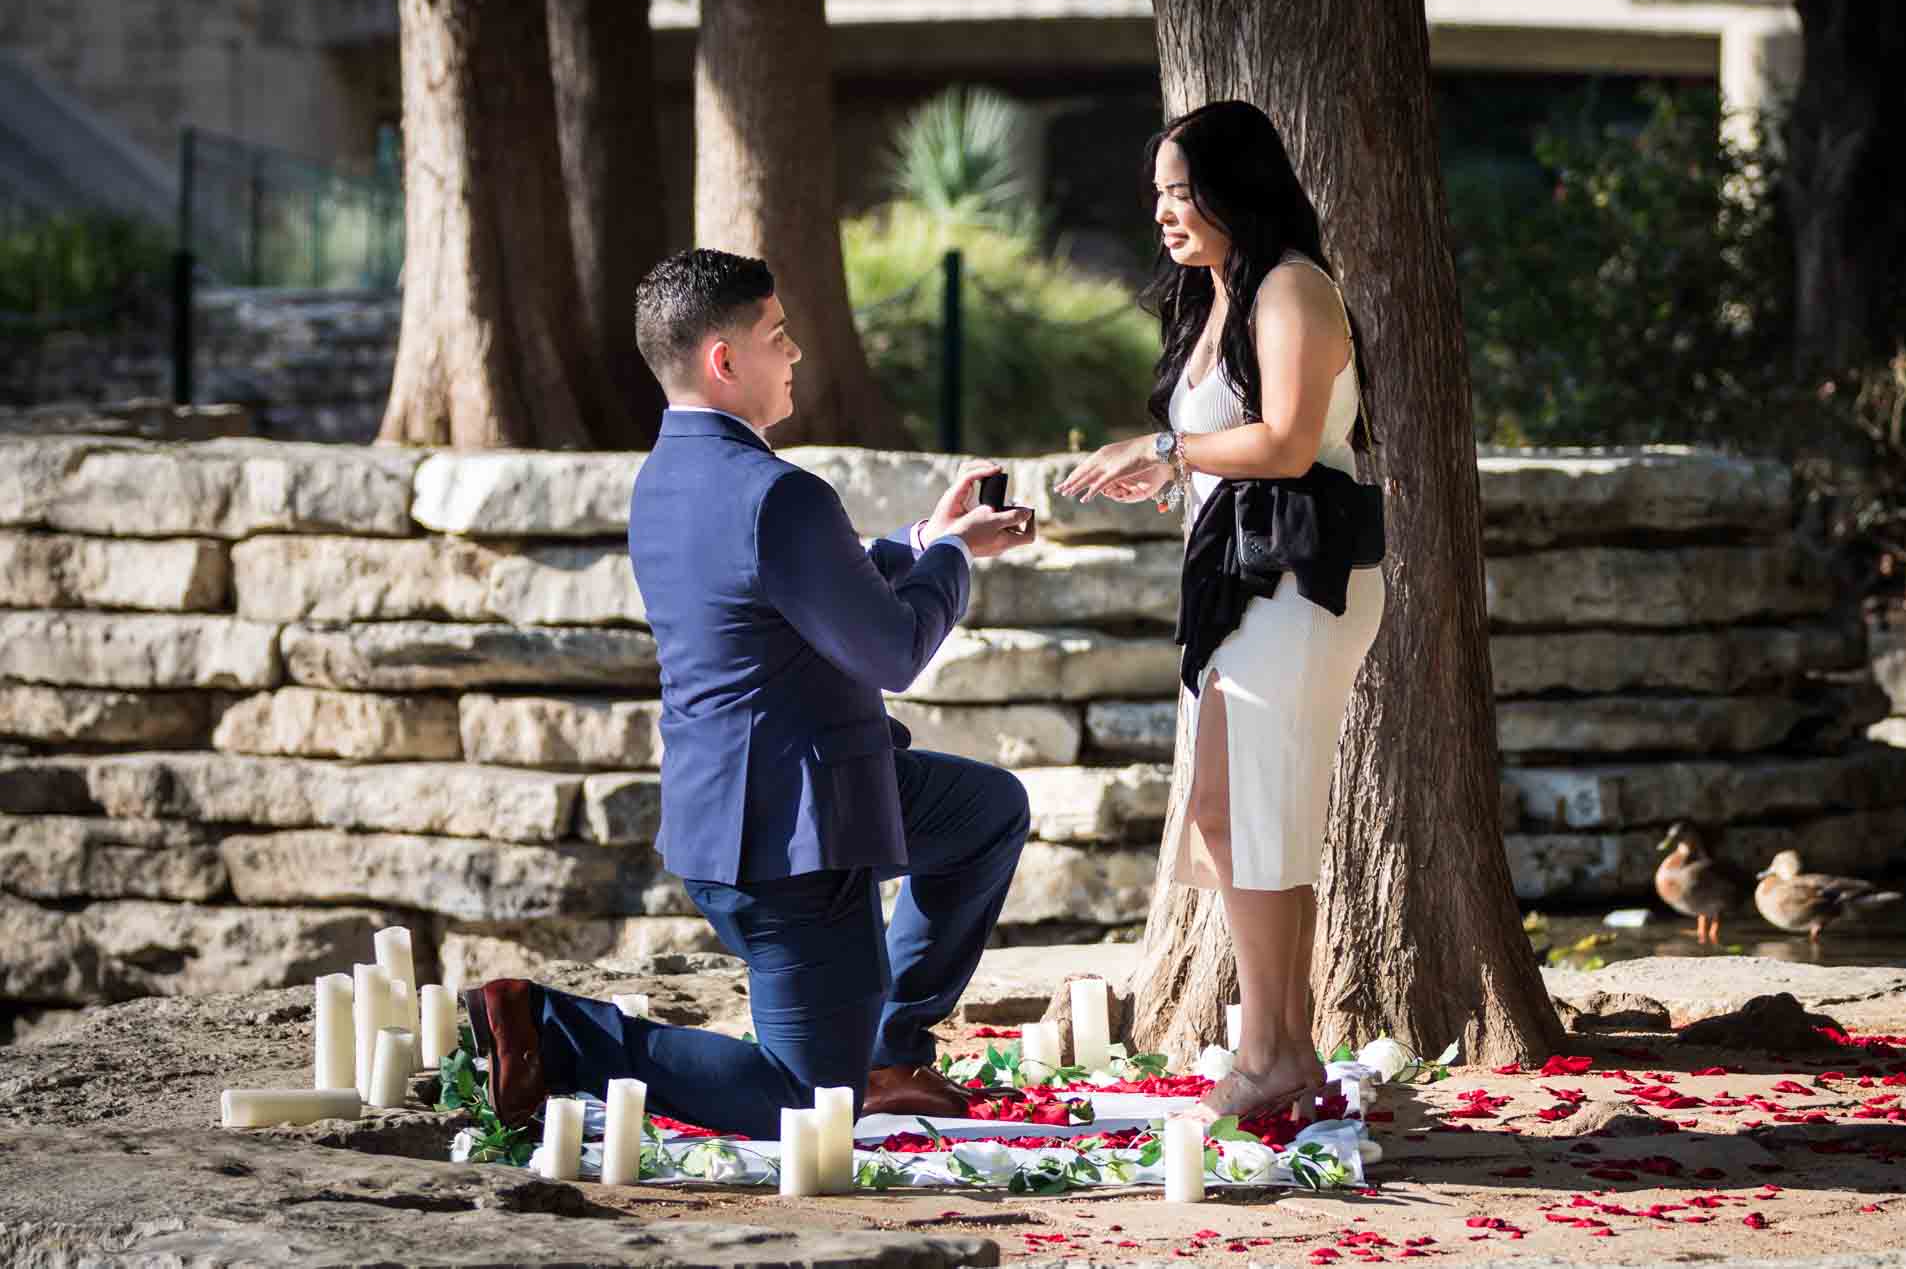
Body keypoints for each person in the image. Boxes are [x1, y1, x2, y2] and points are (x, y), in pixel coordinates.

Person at [460, 248, 1039, 1141]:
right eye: (778, 335)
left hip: (759, 803)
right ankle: (552, 1028)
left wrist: (928, 535)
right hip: (796, 839)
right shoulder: (780, 494)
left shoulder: (667, 478)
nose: (797, 352)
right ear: (724, 360)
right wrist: (954, 561)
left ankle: (891, 1047)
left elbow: (793, 591)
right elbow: (891, 648)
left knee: (984, 810)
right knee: (811, 1108)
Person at [1056, 101, 1387, 1123]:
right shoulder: (1215, 294)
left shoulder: (1291, 287)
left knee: (1260, 807)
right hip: (1234, 580)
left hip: (1295, 582)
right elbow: (1231, 445)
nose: (1162, 212)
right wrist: (1176, 473)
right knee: (1221, 812)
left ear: (1233, 186)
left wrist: (1158, 451)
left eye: (1179, 191)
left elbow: (1287, 444)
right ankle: (1281, 1045)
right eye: (1156, 193)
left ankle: (1270, 1051)